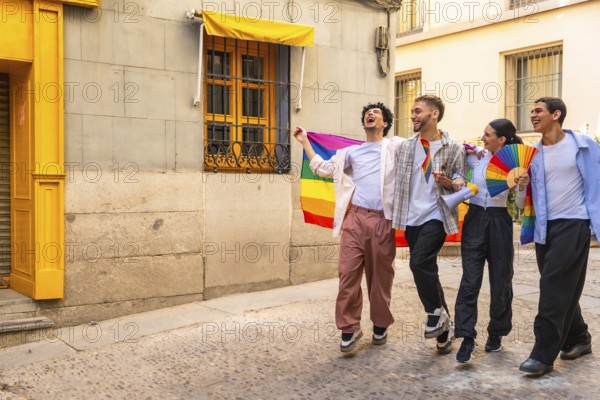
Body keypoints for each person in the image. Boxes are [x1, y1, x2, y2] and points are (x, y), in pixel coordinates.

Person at [294, 102, 404, 353]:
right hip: (353, 219)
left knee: (380, 279)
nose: (371, 114)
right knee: (347, 275)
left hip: (382, 220)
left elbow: (424, 147)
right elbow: (323, 169)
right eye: (368, 113)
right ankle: (349, 327)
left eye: (376, 113)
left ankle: (380, 323)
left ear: (385, 123)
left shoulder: (395, 147)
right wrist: (305, 142)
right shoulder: (350, 153)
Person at [517, 97, 600, 375]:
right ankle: (579, 338)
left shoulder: (585, 146)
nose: (532, 115)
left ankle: (542, 355)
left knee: (553, 288)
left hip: (574, 223)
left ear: (556, 114)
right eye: (531, 112)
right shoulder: (532, 155)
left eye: (538, 111)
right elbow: (521, 204)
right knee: (562, 287)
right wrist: (522, 186)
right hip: (543, 226)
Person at [391, 94, 465, 354]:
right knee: (427, 269)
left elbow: (461, 180)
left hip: (437, 214)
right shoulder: (405, 147)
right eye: (412, 111)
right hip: (411, 217)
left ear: (434, 114)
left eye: (417, 111)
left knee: (419, 262)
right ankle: (444, 328)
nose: (412, 115)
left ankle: (433, 314)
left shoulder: (453, 145)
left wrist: (449, 182)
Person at [454, 118, 527, 363]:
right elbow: (457, 173)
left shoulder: (514, 162)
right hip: (474, 218)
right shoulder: (475, 156)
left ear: (502, 139)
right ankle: (466, 337)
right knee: (470, 280)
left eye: (487, 134)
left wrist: (521, 187)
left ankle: (496, 332)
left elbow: (518, 207)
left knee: (501, 280)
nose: (482, 138)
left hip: (500, 221)